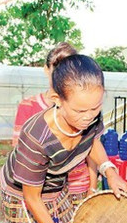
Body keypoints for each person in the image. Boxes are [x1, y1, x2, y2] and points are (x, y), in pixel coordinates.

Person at [2, 54, 127, 223]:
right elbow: (33, 199)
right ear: (57, 101)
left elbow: (92, 141)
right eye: (80, 111)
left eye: (95, 108)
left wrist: (109, 169)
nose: (89, 116)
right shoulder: (36, 136)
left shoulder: (90, 113)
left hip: (56, 186)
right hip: (23, 195)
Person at [11, 42, 94, 206]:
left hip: (78, 186)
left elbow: (92, 146)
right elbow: (19, 151)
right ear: (46, 69)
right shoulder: (28, 106)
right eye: (56, 69)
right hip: (42, 191)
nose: (61, 76)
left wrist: (92, 185)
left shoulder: (85, 106)